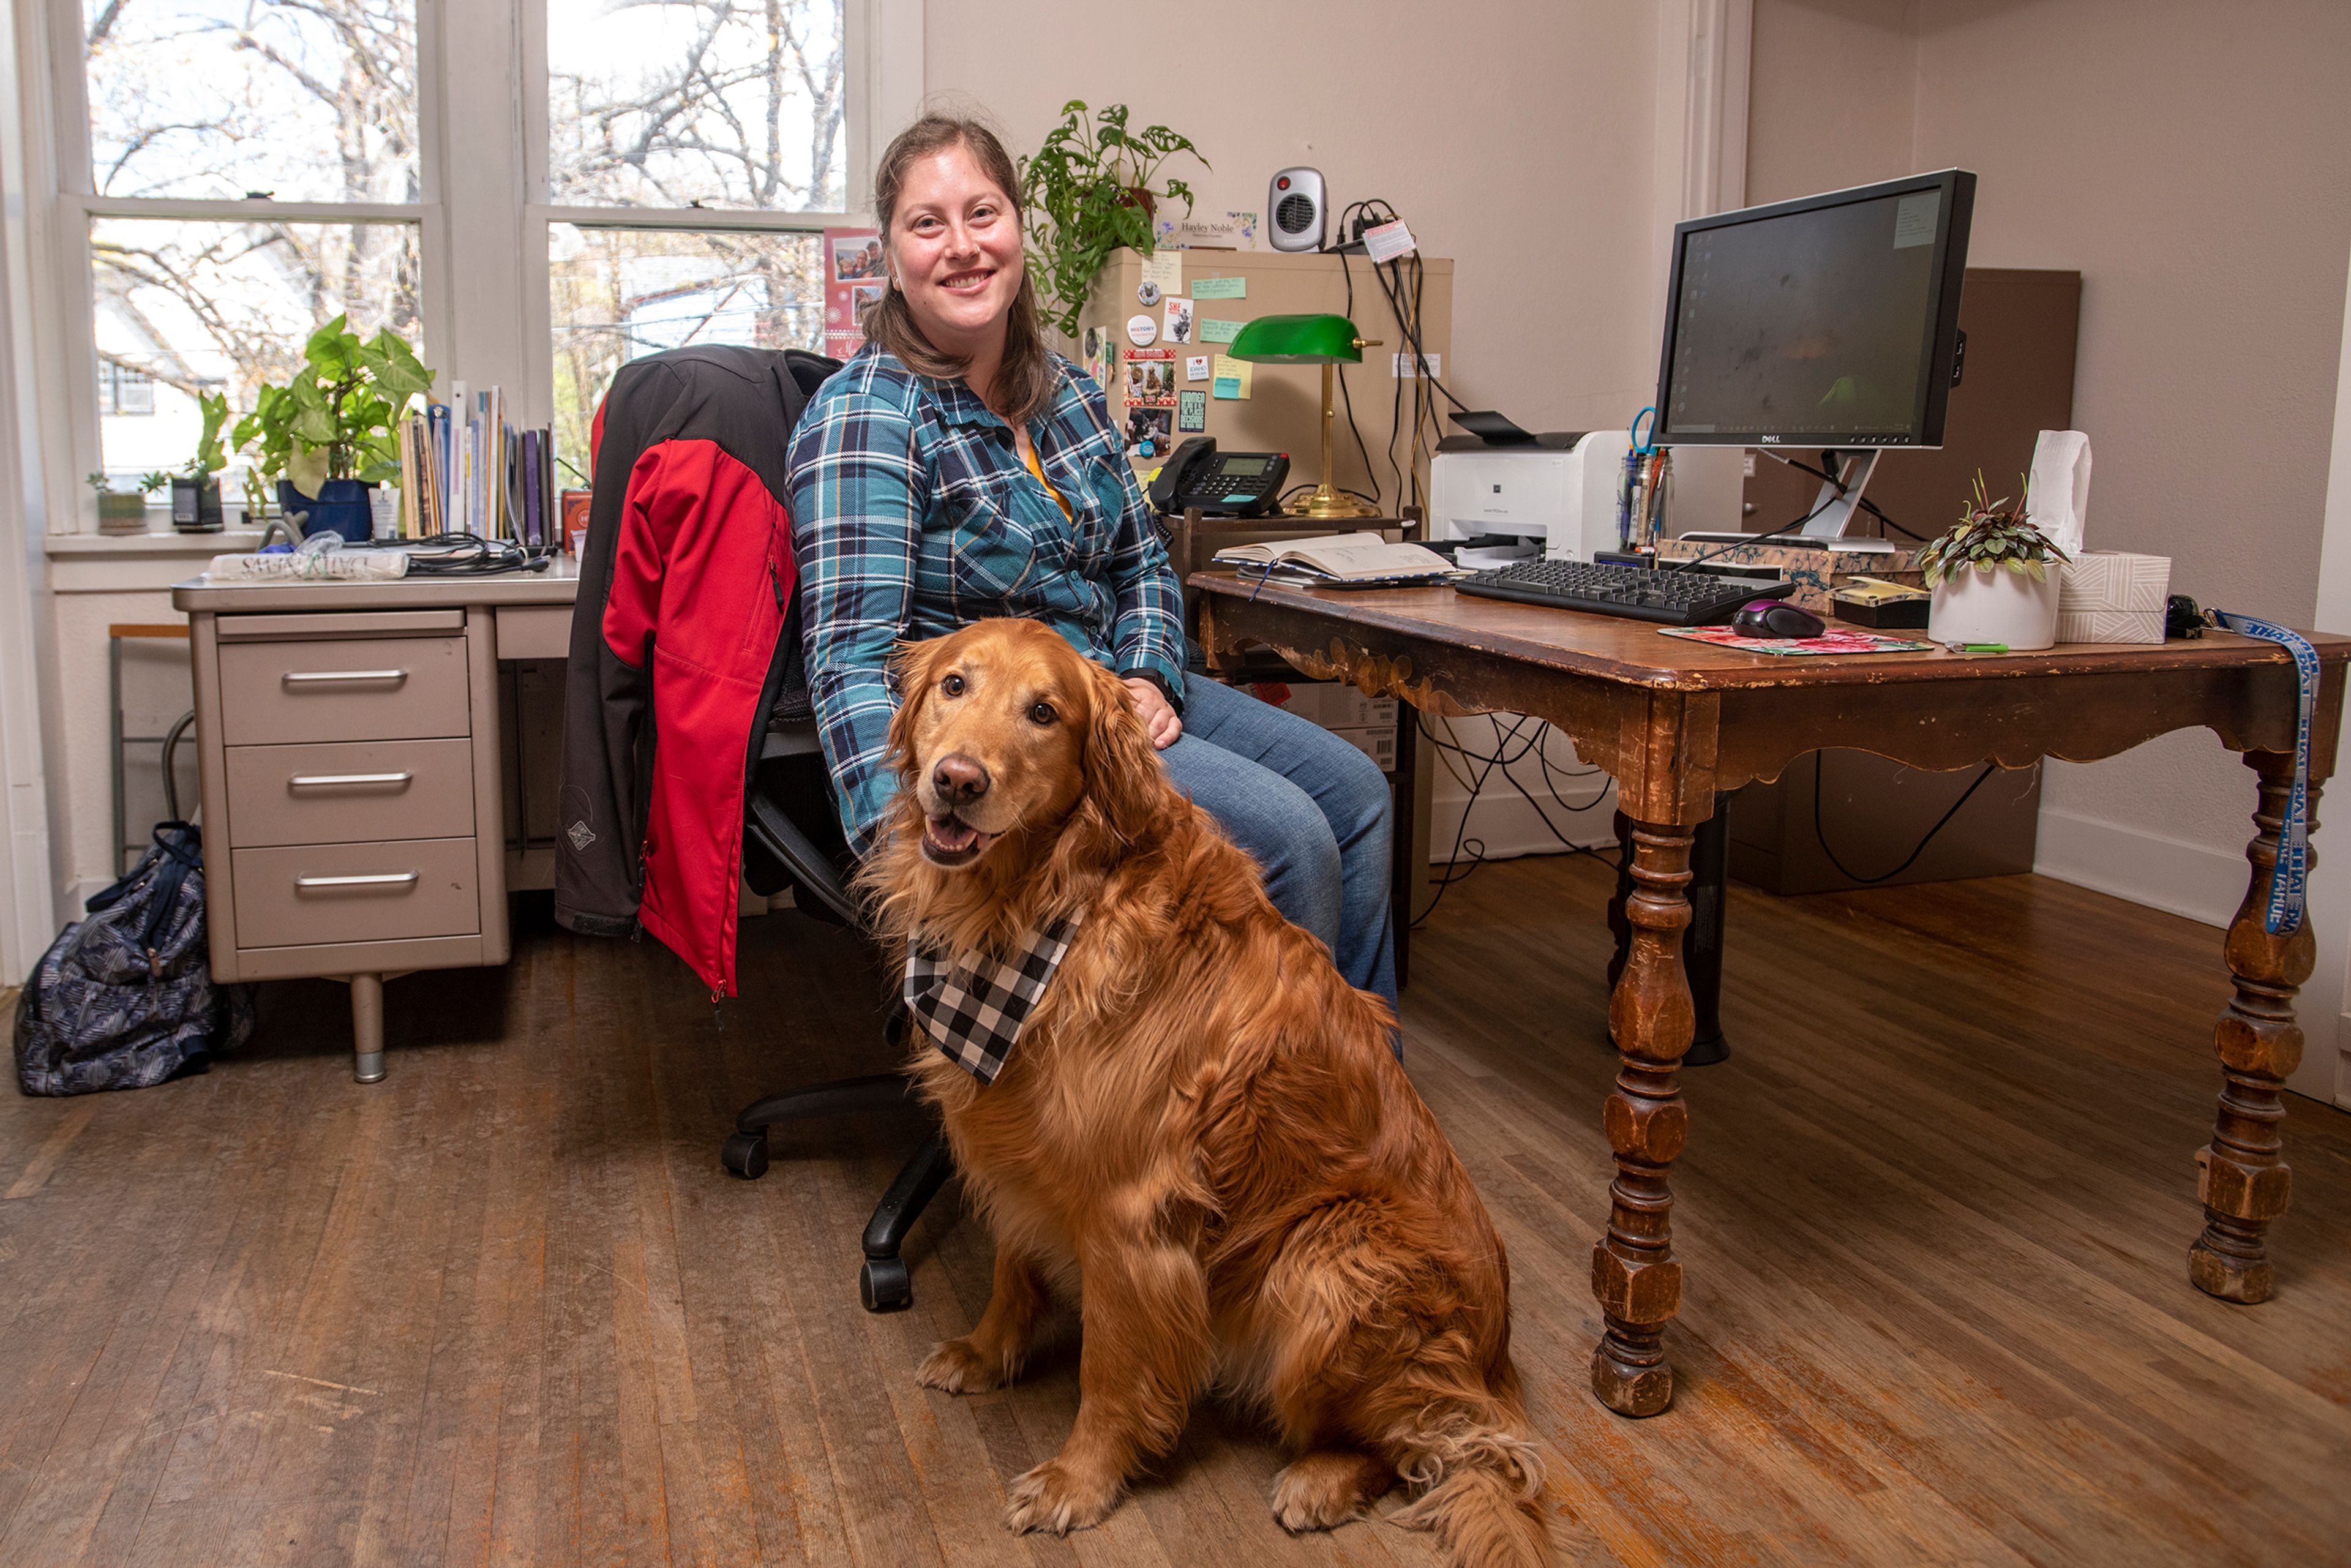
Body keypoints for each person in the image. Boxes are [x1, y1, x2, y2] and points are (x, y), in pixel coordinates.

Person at [786, 113, 1398, 1010]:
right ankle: (1276, 1106)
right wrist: (909, 841)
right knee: (1290, 837)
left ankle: (1355, 1091)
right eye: (928, 224)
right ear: (891, 254)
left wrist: (1151, 674)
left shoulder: (1067, 391)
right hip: (1016, 733)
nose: (962, 246)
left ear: (1018, 228)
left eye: (983, 213)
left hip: (1114, 694)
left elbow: (1144, 561)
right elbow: (850, 658)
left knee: (1359, 793)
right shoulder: (868, 416)